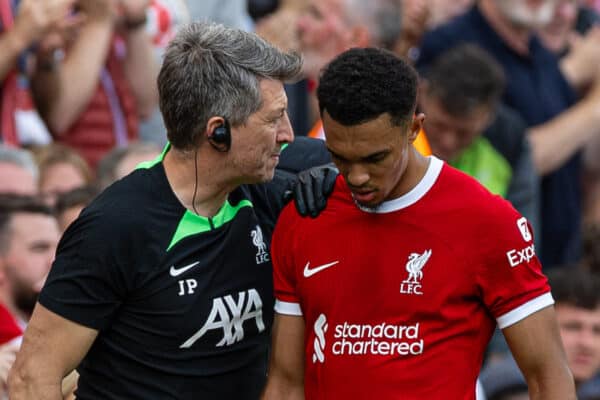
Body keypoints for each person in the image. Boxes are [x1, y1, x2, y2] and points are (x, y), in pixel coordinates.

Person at [7, 21, 334, 399]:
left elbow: (378, 159)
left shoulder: (268, 191)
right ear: (218, 132)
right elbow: (32, 378)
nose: (288, 134)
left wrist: (338, 179)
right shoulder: (116, 226)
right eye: (274, 118)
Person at [262, 47, 575, 399]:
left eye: (375, 158)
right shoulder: (305, 217)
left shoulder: (487, 222)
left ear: (414, 127)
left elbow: (549, 375)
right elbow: (285, 385)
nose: (358, 176)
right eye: (340, 158)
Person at [416, 0, 600, 268]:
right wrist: (594, 108)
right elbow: (530, 152)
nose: (448, 139)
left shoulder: (542, 55)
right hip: (470, 270)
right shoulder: (451, 43)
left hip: (552, 263)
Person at [419, 43, 539, 232]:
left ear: (489, 115)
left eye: (464, 133)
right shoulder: (396, 131)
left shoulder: (509, 141)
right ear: (422, 94)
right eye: (439, 125)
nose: (447, 141)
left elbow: (524, 237)